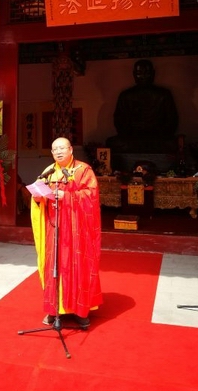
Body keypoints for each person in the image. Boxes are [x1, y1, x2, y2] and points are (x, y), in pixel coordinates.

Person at [30, 137, 102, 329]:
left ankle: (80, 310)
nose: (59, 152)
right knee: (54, 267)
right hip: (54, 228)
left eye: (62, 148)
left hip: (77, 229)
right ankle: (54, 309)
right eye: (55, 149)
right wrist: (37, 198)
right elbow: (39, 197)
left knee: (78, 266)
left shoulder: (83, 170)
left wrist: (67, 196)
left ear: (71, 150)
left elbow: (92, 196)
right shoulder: (48, 172)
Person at [107, 59, 179, 154]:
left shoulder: (164, 94)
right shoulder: (126, 95)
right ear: (134, 74)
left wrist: (158, 132)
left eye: (147, 73)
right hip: (133, 138)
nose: (143, 77)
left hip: (157, 138)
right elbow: (119, 121)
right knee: (113, 142)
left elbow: (172, 121)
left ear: (153, 74)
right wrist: (132, 132)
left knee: (173, 143)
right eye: (139, 73)